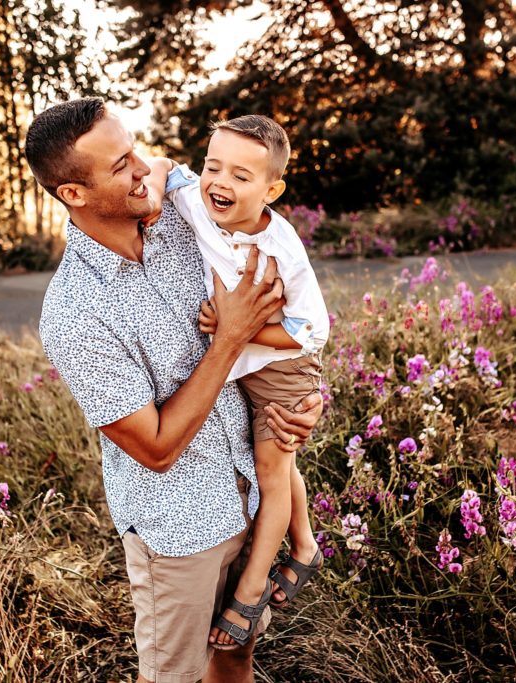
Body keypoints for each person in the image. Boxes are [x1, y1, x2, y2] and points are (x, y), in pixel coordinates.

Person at [25, 97, 323, 683]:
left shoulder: (190, 222)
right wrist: (230, 339)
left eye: (132, 149)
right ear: (74, 195)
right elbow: (156, 449)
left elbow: (292, 318)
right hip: (180, 531)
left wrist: (296, 407)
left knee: (236, 655)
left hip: (251, 492)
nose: (142, 167)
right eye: (120, 166)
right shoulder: (75, 313)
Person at [142, 115, 328, 649]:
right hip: (240, 363)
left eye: (241, 176)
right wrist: (155, 188)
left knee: (273, 474)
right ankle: (306, 545)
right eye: (213, 166)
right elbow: (163, 168)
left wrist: (240, 330)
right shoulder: (200, 200)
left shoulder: (282, 248)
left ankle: (248, 595)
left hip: (281, 369)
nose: (220, 182)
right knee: (279, 465)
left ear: (272, 189)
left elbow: (312, 330)